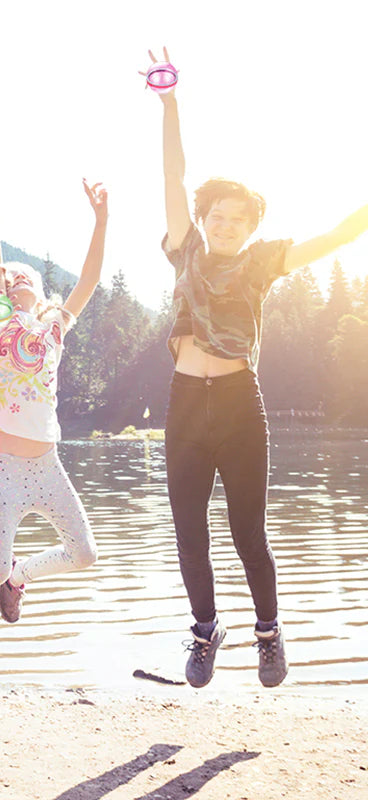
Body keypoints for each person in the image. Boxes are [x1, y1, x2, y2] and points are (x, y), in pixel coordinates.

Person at [145, 47, 368, 688]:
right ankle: (204, 630)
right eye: (217, 215)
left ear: (250, 226)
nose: (225, 224)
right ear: (205, 217)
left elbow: (331, 240)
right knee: (189, 529)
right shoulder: (185, 250)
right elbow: (171, 179)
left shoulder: (263, 261)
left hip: (242, 403)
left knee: (249, 532)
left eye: (238, 220)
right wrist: (170, 105)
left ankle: (268, 634)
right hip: (185, 403)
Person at [0, 134, 108, 644]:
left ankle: (19, 579)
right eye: (5, 278)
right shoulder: (1, 325)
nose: (12, 277)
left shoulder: (56, 328)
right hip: (3, 465)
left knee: (84, 554)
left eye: (22, 276)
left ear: (41, 290)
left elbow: (89, 278)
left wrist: (101, 220)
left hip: (47, 464)